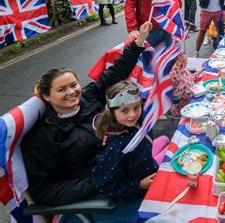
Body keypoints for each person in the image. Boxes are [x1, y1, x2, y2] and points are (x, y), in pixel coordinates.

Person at [22, 22, 152, 206]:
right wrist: (99, 183)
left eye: (74, 85)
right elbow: (43, 191)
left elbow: (115, 72)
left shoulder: (88, 96)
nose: (72, 92)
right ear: (46, 96)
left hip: (129, 167)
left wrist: (139, 41)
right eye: (61, 89)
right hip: (106, 194)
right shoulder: (43, 137)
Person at [92, 80, 170, 201]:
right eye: (125, 110)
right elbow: (106, 186)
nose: (133, 115)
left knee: (168, 142)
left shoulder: (139, 117)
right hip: (137, 189)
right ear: (111, 112)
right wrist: (139, 184)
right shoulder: (114, 147)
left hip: (146, 163)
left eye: (136, 107)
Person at [169, 53, 204, 117]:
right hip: (183, 105)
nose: (186, 62)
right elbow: (184, 89)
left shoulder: (183, 70)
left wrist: (199, 72)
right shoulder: (174, 74)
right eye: (184, 61)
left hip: (193, 94)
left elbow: (190, 78)